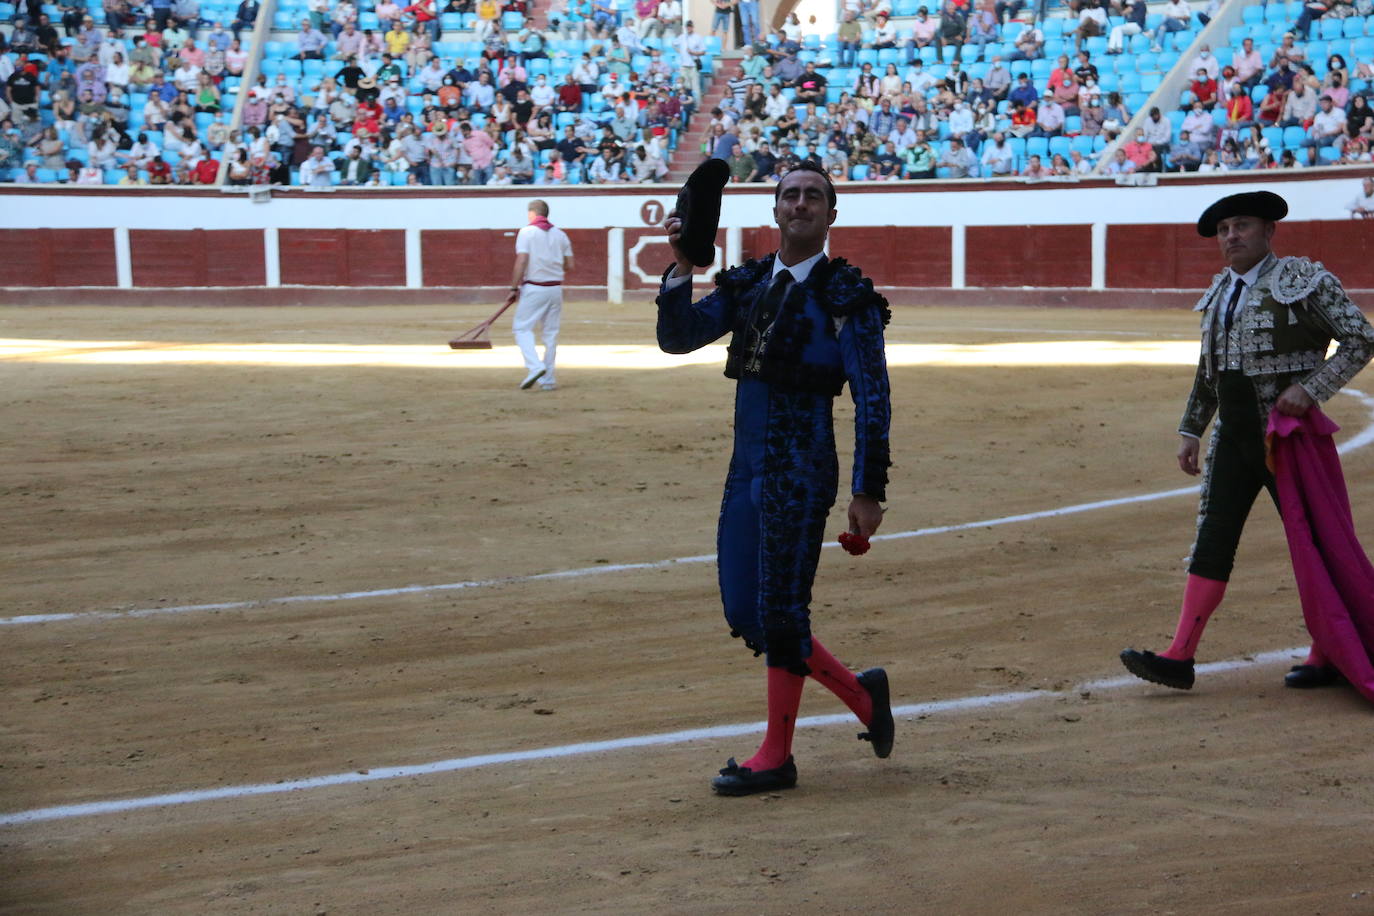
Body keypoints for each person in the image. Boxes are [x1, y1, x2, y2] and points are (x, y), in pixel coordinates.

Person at [656, 160, 895, 796]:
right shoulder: (750, 283)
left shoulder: (849, 298)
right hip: (747, 469)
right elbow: (678, 338)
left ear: (831, 214)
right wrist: (682, 267)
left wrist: (867, 490)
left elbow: (872, 398)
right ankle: (864, 700)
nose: (800, 204)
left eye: (814, 196)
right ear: (775, 211)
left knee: (783, 609)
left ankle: (776, 755)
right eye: (790, 195)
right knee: (746, 608)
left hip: (803, 465)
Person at [1120, 191, 1374, 691]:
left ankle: (1328, 655)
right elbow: (1210, 371)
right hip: (1232, 440)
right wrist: (1192, 428)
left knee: (1317, 543)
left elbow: (1361, 338)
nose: (1231, 236)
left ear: (1268, 231)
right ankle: (1179, 655)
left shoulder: (1303, 281)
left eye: (1241, 226)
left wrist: (1311, 387)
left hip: (1290, 441)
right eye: (1223, 230)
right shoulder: (1218, 293)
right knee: (1212, 538)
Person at [508, 200, 573, 391]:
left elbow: (521, 261)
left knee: (521, 329)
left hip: (535, 288)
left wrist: (513, 288)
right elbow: (570, 265)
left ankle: (535, 366)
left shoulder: (527, 232)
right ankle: (548, 380)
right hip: (555, 289)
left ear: (532, 214)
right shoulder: (561, 235)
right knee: (550, 334)